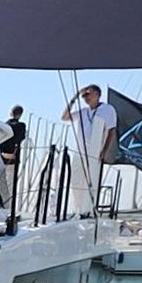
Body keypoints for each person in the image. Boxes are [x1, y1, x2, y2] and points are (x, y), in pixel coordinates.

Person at [61, 85, 115, 216]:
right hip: (80, 151)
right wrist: (74, 97)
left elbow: (112, 130)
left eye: (88, 94)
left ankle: (89, 210)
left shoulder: (107, 109)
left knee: (90, 182)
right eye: (83, 96)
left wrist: (105, 151)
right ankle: (78, 210)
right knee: (75, 181)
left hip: (94, 152)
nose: (85, 98)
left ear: (97, 94)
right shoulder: (83, 111)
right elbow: (65, 117)